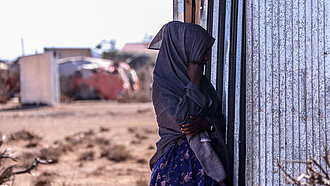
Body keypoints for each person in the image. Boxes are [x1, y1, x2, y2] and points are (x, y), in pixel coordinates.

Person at [148, 21, 231, 186]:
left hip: (207, 165)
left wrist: (208, 123)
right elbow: (183, 121)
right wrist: (193, 84)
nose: (206, 57)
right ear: (184, 48)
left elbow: (218, 118)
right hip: (175, 169)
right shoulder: (163, 85)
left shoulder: (204, 84)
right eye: (202, 50)